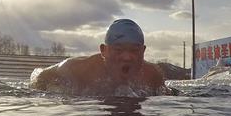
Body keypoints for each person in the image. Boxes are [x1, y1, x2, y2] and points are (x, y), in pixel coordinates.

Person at [31, 19, 166, 95]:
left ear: (143, 51)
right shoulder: (77, 70)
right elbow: (40, 78)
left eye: (134, 50)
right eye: (118, 50)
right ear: (104, 51)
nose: (127, 57)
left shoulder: (152, 76)